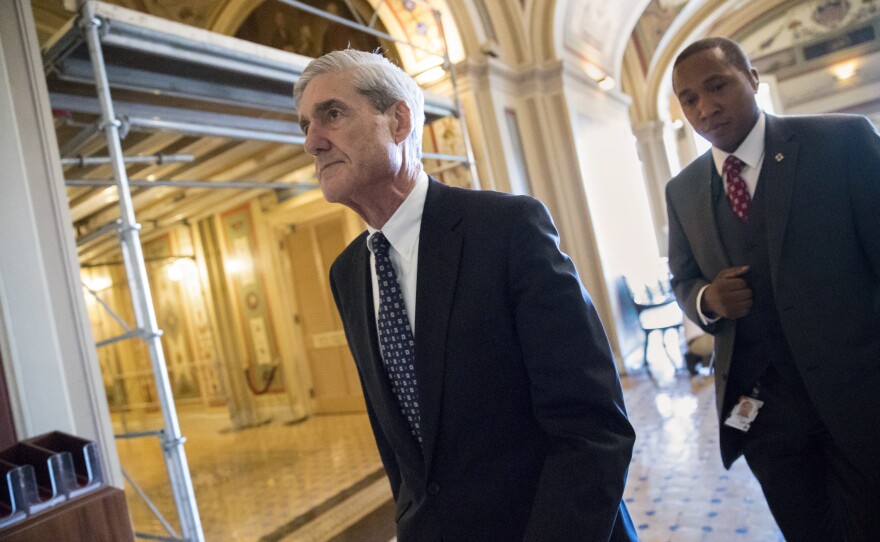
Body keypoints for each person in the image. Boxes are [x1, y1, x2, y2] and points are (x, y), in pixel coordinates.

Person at [294, 49, 637, 541]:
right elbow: (401, 450)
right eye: (305, 125)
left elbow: (592, 427)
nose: (312, 142)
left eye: (331, 114)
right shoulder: (347, 273)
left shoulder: (507, 229)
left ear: (398, 121)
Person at [666, 36, 880, 540]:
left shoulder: (843, 142)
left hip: (860, 398)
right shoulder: (683, 190)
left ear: (753, 78)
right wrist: (708, 301)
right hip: (765, 417)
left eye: (717, 86)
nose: (705, 108)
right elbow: (683, 279)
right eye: (689, 99)